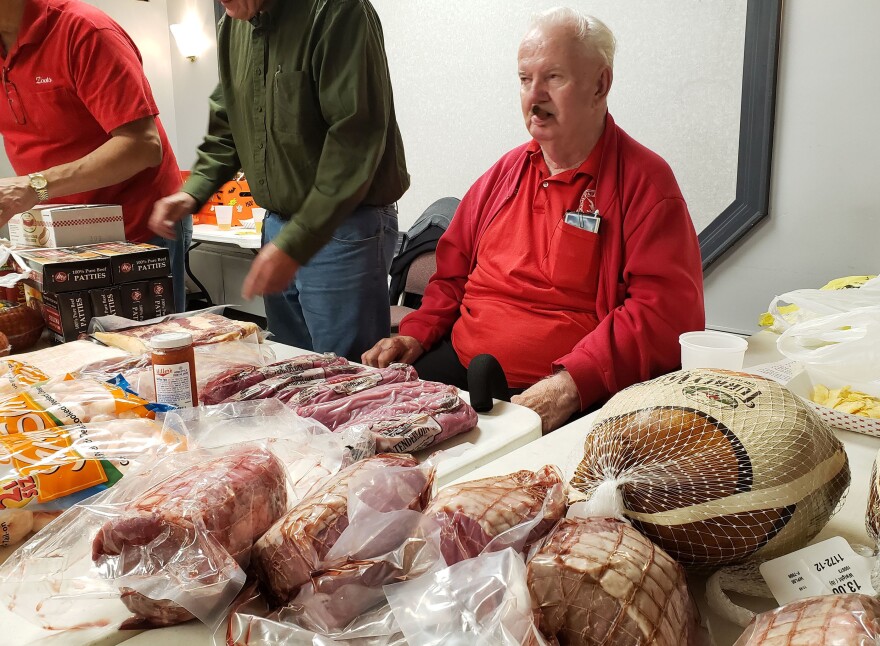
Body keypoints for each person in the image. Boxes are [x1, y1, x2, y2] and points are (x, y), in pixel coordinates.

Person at [363, 8, 705, 433]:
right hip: (464, 372)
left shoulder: (646, 185)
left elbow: (664, 315)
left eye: (553, 77)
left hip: (569, 390)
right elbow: (451, 276)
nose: (534, 95)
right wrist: (416, 332)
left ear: (601, 84)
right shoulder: (503, 175)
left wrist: (571, 385)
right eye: (525, 80)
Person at [151, 0, 408, 359]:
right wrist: (193, 191)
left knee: (348, 379)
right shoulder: (233, 25)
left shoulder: (337, 10)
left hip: (342, 227)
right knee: (291, 367)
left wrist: (295, 243)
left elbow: (354, 140)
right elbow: (228, 125)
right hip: (277, 226)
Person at [0, 0, 190, 313]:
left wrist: (31, 187)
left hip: (138, 229)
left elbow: (142, 146)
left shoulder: (84, 30)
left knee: (147, 350)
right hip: (59, 237)